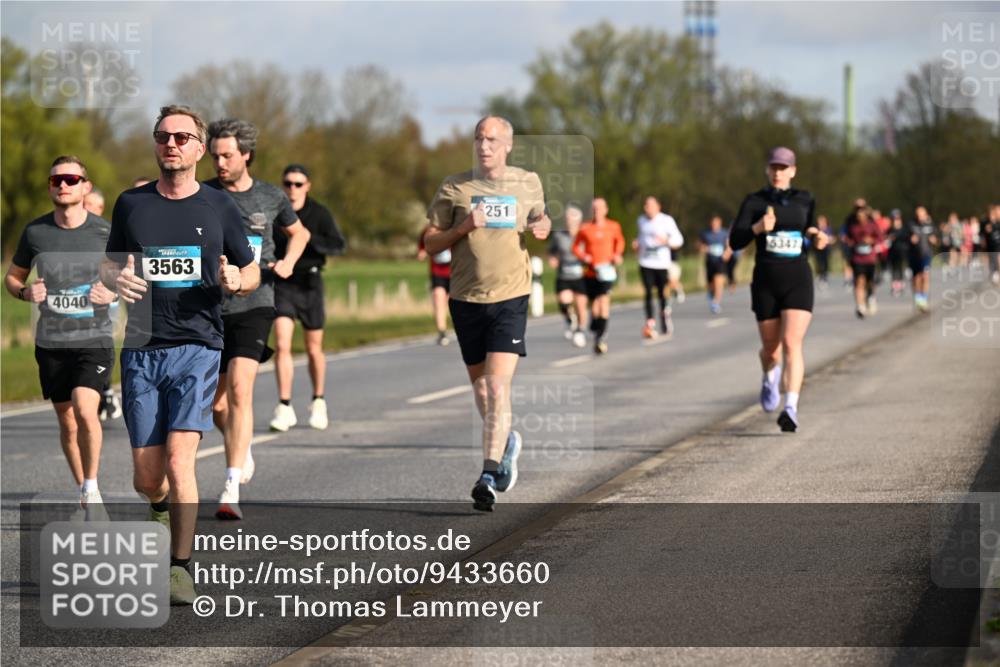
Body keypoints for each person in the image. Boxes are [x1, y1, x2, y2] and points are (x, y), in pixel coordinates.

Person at [102, 105, 260, 604]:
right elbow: (107, 267)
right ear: (156, 144)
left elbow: (250, 269)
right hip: (143, 348)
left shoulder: (218, 206)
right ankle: (158, 506)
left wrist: (238, 279)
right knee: (147, 477)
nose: (171, 144)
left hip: (199, 344)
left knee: (179, 457)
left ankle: (179, 566)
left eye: (182, 137)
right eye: (163, 136)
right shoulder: (131, 204)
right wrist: (117, 278)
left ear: (198, 148)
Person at [423, 116, 550, 512]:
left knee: (497, 387)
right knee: (481, 389)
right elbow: (430, 242)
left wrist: (542, 225)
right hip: (465, 298)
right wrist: (463, 227)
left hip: (511, 297)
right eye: (479, 138)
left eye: (493, 139)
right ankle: (507, 439)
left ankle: (488, 474)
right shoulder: (454, 186)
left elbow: (539, 217)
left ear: (508, 145)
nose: (485, 145)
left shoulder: (527, 181)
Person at [206, 119, 311, 520]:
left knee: (240, 388)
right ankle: (241, 445)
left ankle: (230, 486)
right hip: (211, 309)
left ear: (246, 154)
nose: (220, 162)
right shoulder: (203, 194)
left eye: (227, 155)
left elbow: (299, 234)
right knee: (216, 408)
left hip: (256, 302)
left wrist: (287, 262)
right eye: (215, 155)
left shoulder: (269, 196)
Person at [5, 156, 117, 517]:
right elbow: (12, 277)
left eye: (71, 179)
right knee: (67, 422)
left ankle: (93, 489)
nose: (63, 185)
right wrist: (25, 293)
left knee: (87, 410)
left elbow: (127, 279)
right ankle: (82, 488)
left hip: (94, 336)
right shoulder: (36, 232)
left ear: (85, 186)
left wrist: (111, 293)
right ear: (50, 188)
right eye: (57, 181)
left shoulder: (106, 231)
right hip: (51, 341)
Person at [729, 146, 828, 433]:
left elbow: (809, 227)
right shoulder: (754, 201)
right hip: (766, 281)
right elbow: (735, 241)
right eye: (773, 167)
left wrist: (818, 237)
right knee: (771, 349)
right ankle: (769, 374)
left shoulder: (805, 198)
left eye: (783, 168)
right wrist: (757, 228)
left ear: (792, 171)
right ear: (767, 170)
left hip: (797, 277)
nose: (778, 172)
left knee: (791, 343)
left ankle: (791, 407)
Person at [270, 164, 345, 432]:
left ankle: (318, 400)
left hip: (311, 282)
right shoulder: (276, 212)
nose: (292, 189)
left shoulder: (319, 212)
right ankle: (284, 405)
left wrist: (310, 239)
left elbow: (338, 244)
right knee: (282, 343)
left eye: (298, 184)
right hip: (283, 283)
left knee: (314, 348)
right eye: (288, 183)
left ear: (307, 186)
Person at [83, 186, 124, 421]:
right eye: (84, 204)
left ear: (100, 208)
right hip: (80, 303)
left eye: (91, 205)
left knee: (100, 344)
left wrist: (113, 292)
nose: (86, 209)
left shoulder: (109, 233)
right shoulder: (77, 234)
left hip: (107, 301)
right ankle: (100, 392)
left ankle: (105, 391)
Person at [573, 198, 625, 354]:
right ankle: (596, 326)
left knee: (604, 302)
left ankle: (600, 338)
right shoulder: (585, 228)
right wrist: (584, 257)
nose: (597, 211)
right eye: (594, 208)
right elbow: (576, 247)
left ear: (606, 210)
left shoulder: (613, 226)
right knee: (594, 307)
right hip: (591, 272)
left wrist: (617, 254)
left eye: (600, 208)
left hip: (607, 271)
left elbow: (620, 242)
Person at [634, 196, 684, 333]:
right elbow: (641, 237)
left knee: (662, 293)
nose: (647, 208)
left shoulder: (666, 220)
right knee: (648, 292)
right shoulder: (641, 220)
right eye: (645, 205)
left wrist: (666, 241)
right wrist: (637, 244)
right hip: (645, 262)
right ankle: (650, 321)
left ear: (658, 207)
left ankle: (664, 317)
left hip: (662, 263)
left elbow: (679, 240)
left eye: (650, 205)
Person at [547, 203, 588, 347]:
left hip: (581, 275)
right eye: (567, 218)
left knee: (581, 305)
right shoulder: (559, 235)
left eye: (572, 218)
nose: (569, 221)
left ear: (578, 220)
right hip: (564, 274)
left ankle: (580, 331)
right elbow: (552, 251)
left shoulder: (584, 234)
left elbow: (592, 250)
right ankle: (570, 320)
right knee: (564, 301)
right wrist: (553, 258)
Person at [845, 207, 885, 318]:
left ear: (866, 216)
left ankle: (871, 298)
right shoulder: (852, 226)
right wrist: (848, 241)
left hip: (870, 258)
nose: (860, 218)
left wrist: (871, 241)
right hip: (857, 258)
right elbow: (847, 237)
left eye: (862, 216)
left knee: (870, 282)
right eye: (858, 216)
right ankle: (860, 306)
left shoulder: (872, 225)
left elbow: (880, 238)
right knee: (859, 281)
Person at [417, 225, 452, 346]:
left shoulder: (456, 227)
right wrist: (423, 253)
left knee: (453, 303)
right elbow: (422, 248)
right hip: (438, 272)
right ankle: (442, 332)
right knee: (438, 297)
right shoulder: (427, 232)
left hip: (456, 272)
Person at [699, 215, 732, 314]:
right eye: (713, 223)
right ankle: (711, 294)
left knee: (719, 282)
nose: (714, 225)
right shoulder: (705, 233)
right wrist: (703, 248)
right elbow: (699, 245)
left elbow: (729, 245)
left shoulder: (724, 233)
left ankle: (716, 303)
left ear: (719, 223)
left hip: (720, 261)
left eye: (716, 223)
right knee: (711, 285)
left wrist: (727, 253)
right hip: (710, 261)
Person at [908, 205, 937, 312]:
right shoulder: (911, 225)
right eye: (918, 214)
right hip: (914, 255)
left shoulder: (930, 225)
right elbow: (905, 237)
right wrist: (910, 239)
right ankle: (917, 297)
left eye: (922, 214)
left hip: (926, 254)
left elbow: (935, 237)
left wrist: (934, 240)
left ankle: (923, 299)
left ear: (926, 215)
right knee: (916, 278)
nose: (920, 217)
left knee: (925, 276)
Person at [886, 209, 909, 297]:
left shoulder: (904, 229)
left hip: (902, 252)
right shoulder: (890, 229)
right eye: (894, 219)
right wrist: (889, 238)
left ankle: (901, 285)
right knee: (894, 269)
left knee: (901, 269)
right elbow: (886, 239)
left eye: (897, 219)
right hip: (893, 252)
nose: (896, 220)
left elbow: (907, 238)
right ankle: (895, 287)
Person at [810, 214, 834, 288]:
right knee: (819, 262)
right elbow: (812, 239)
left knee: (825, 262)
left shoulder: (828, 229)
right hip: (817, 248)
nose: (821, 222)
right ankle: (820, 275)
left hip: (826, 248)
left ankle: (824, 276)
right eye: (819, 221)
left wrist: (829, 240)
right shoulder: (816, 229)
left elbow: (832, 239)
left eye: (822, 220)